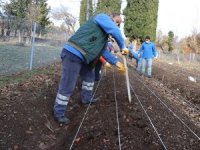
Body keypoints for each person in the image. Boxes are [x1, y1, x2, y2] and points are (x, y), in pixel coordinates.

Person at [53, 13, 128, 124]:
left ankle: (86, 99)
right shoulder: (102, 17)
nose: (117, 25)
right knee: (68, 84)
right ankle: (58, 113)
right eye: (117, 21)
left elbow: (103, 51)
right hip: (73, 53)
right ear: (111, 16)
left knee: (89, 77)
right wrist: (123, 46)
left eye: (119, 24)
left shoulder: (103, 36)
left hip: (84, 58)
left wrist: (116, 62)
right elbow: (114, 30)